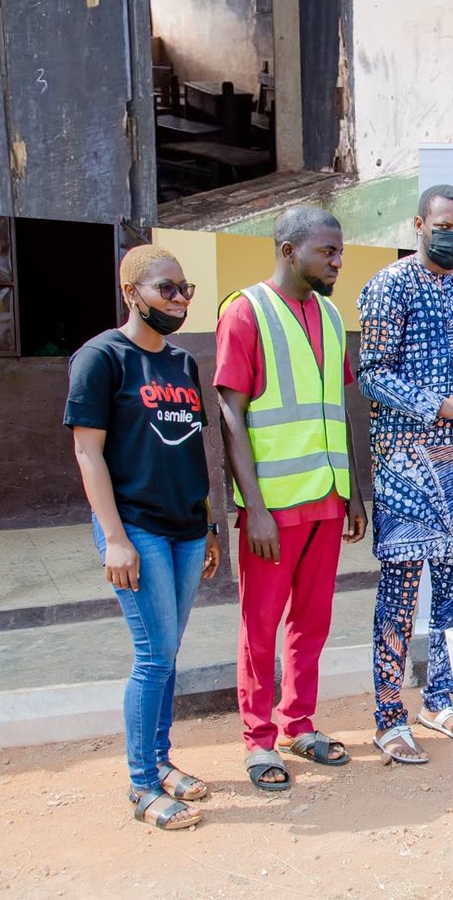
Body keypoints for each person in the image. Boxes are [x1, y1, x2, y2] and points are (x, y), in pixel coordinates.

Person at [65, 245, 220, 831]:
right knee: (153, 655)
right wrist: (114, 537)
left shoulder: (183, 364)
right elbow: (88, 451)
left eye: (185, 290)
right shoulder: (101, 358)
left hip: (184, 529)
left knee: (168, 652)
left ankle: (160, 760)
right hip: (136, 529)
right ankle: (141, 784)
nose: (179, 300)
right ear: (132, 292)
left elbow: (192, 452)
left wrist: (206, 525)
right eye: (167, 289)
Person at [215, 206, 367, 792]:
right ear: (287, 250)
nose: (336, 261)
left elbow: (339, 406)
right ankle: (257, 741)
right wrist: (252, 506)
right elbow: (230, 411)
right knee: (260, 625)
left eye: (339, 252)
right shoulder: (245, 312)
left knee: (312, 621)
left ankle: (298, 724)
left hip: (328, 499)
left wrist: (352, 490)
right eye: (327, 251)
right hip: (273, 508)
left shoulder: (330, 315)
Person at [358, 184, 453, 765]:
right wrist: (450, 409)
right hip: (406, 471)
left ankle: (440, 699)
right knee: (399, 597)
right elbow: (372, 374)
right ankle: (388, 717)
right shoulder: (387, 286)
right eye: (446, 225)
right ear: (419, 225)